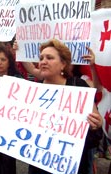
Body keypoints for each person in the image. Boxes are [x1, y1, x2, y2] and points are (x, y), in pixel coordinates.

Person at [27, 39, 103, 174]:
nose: (43, 61)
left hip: (71, 164)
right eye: (41, 58)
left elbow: (95, 122)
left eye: (49, 58)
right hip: (40, 164)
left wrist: (97, 123)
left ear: (63, 64)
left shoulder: (78, 86)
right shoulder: (33, 91)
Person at [0, 44, 22, 174]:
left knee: (7, 163)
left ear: (9, 62)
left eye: (3, 60)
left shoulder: (18, 80)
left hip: (9, 129)